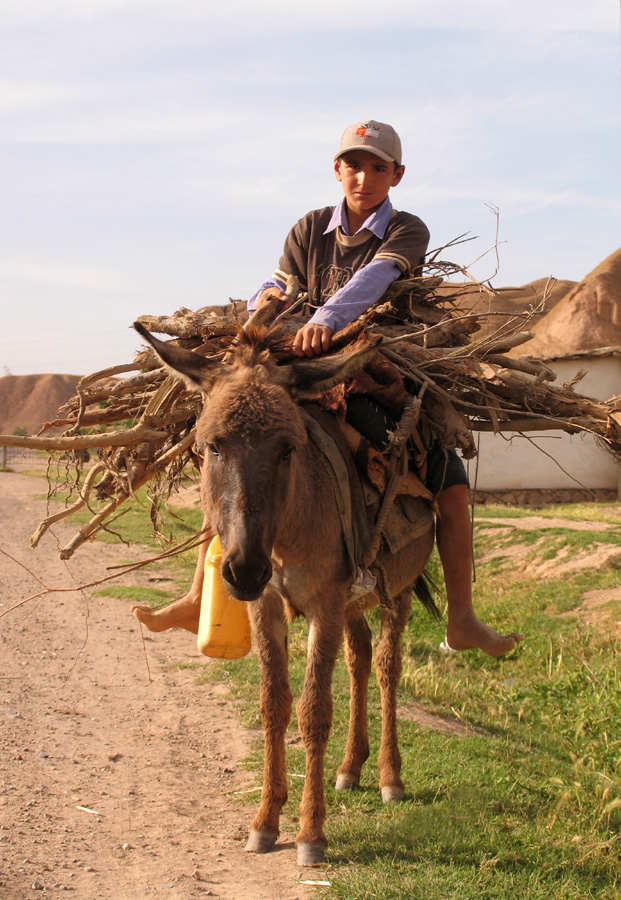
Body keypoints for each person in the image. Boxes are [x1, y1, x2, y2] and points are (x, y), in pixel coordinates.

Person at [133, 119, 522, 657]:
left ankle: (462, 618)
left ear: (396, 175)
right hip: (295, 365)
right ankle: (199, 592)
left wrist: (329, 322)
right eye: (354, 165)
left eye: (377, 168)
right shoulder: (308, 227)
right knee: (234, 448)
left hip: (368, 369)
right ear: (337, 169)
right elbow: (278, 282)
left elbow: (374, 280)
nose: (364, 177)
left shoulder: (406, 229)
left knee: (451, 486)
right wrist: (263, 306)